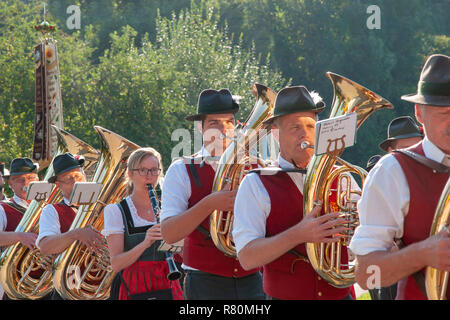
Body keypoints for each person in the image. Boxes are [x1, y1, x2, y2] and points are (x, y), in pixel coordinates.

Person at [233, 86, 355, 300]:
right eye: (294, 128)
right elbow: (247, 258)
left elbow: (364, 235)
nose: (304, 134)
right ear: (276, 134)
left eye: (310, 126)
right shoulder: (255, 183)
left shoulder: (340, 176)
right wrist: (298, 234)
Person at [349, 54, 450, 300]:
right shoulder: (392, 172)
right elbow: (365, 276)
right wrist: (421, 254)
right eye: (444, 112)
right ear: (419, 113)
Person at [160, 88, 265, 300]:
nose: (223, 129)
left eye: (228, 122)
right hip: (204, 281)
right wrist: (209, 204)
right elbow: (169, 234)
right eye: (214, 123)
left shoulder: (255, 166)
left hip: (253, 277)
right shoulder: (181, 169)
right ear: (200, 128)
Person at [103, 148, 183, 300]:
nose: (149, 176)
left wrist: (177, 243)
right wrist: (145, 243)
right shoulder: (116, 211)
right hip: (135, 284)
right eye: (143, 170)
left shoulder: (168, 207)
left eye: (154, 170)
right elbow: (116, 264)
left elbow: (185, 256)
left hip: (169, 281)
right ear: (130, 174)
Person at [0, 158, 39, 300]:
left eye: (30, 178)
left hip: (44, 283)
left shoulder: (48, 208)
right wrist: (20, 237)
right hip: (15, 284)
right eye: (20, 180)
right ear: (11, 183)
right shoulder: (3, 208)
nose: (26, 183)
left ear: (38, 179)